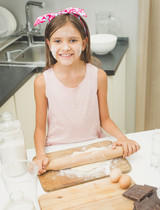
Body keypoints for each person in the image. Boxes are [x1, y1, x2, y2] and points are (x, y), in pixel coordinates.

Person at [33, 7, 140, 175]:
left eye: (73, 40)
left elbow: (104, 120)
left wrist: (123, 138)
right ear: (48, 43)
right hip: (57, 150)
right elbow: (40, 128)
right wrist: (40, 154)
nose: (65, 47)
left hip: (94, 147)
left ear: (84, 43)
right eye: (58, 41)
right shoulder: (42, 82)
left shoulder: (98, 76)